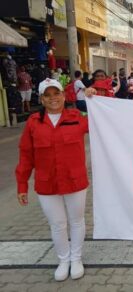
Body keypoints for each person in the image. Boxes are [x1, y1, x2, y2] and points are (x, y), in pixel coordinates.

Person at [15, 78, 96, 281]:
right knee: (57, 224)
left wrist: (96, 98)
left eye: (56, 93)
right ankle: (64, 259)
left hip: (74, 180)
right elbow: (26, 154)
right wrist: (22, 184)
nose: (53, 99)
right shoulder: (34, 122)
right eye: (48, 95)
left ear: (63, 95)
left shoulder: (76, 117)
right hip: (46, 182)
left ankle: (76, 258)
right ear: (41, 99)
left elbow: (103, 122)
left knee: (76, 221)